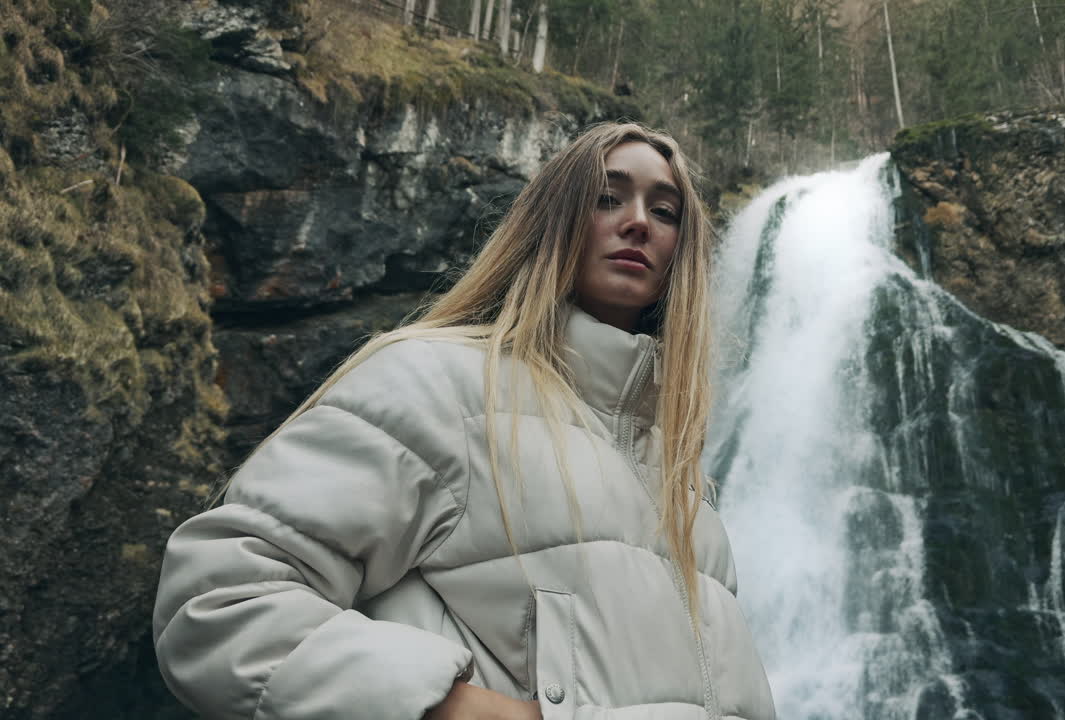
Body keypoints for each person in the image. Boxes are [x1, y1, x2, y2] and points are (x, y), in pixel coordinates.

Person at [152, 122, 777, 720]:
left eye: (664, 211)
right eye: (607, 197)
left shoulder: (688, 488)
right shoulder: (439, 384)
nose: (638, 221)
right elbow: (218, 598)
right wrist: (454, 707)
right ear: (550, 221)